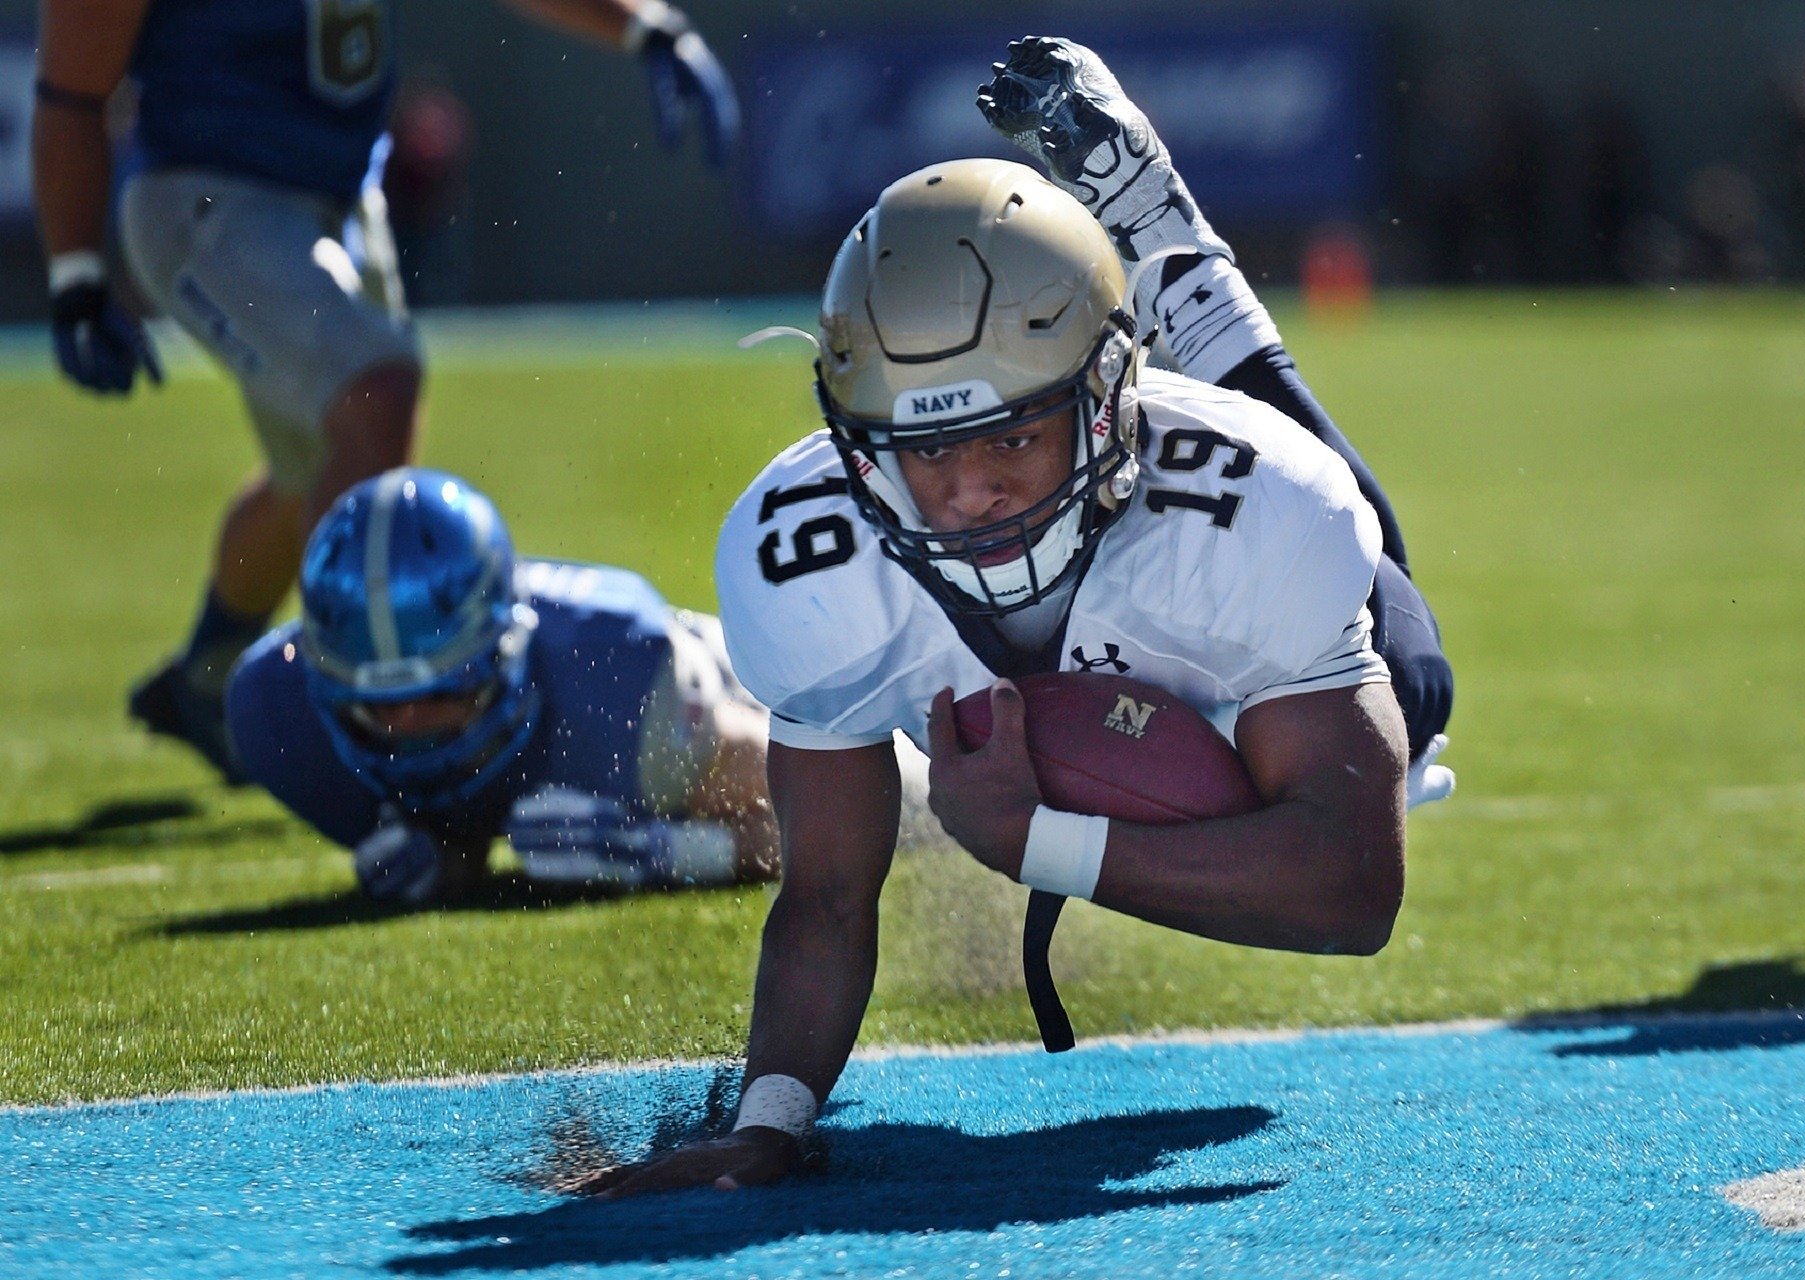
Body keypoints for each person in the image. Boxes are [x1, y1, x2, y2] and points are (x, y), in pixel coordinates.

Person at [567, 36, 1457, 1194]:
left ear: (1102, 401)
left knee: (1409, 658)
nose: (969, 488)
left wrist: (1040, 841)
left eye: (1012, 436)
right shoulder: (807, 559)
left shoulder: (1258, 513)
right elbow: (826, 890)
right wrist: (769, 1121)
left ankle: (1173, 254)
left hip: (1213, 520)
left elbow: (1352, 888)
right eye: (925, 447)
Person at [32, 0, 741, 785]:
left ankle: (207, 675)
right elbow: (71, 88)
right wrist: (75, 274)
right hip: (208, 195)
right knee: (375, 396)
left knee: (315, 470)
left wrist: (643, 23)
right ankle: (349, 744)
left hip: (338, 201)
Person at [226, 468, 782, 903]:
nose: (411, 729)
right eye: (379, 709)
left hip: (744, 676)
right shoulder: (274, 705)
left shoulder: (622, 678)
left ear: (505, 652)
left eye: (443, 693)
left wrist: (665, 851)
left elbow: (805, 818)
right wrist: (450, 855)